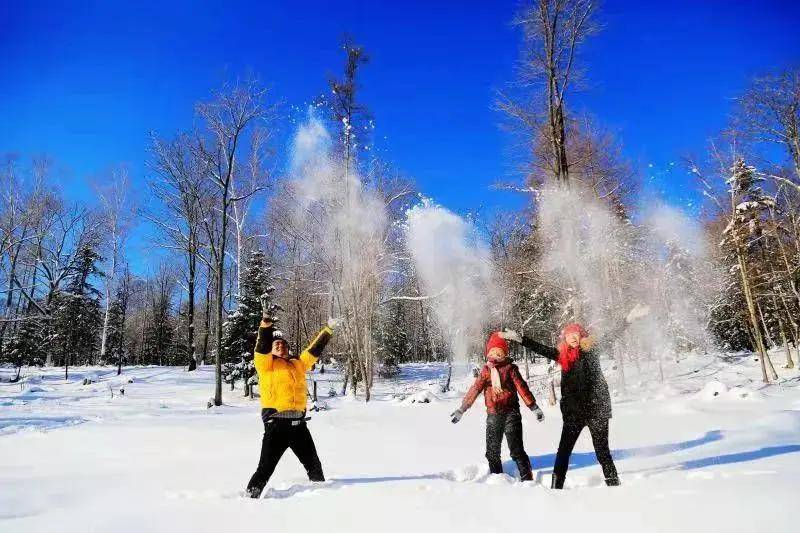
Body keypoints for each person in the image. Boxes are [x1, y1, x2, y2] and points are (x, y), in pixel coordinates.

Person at [500, 304, 649, 489]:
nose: (572, 338)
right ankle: (556, 489)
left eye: (576, 334)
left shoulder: (591, 351)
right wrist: (519, 339)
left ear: (582, 336)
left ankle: (614, 485)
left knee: (602, 451)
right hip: (573, 413)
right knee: (563, 452)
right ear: (565, 339)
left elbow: (612, 335)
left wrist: (628, 319)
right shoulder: (562, 356)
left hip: (597, 410)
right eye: (569, 335)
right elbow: (539, 348)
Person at [245, 294, 338, 499]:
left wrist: (328, 330)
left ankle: (324, 498)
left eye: (283, 344)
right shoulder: (266, 365)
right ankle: (249, 500)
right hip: (276, 426)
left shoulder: (298, 364)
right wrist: (266, 323)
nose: (280, 346)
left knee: (314, 466)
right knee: (265, 469)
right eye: (276, 345)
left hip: (299, 426)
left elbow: (314, 350)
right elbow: (261, 346)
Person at [450, 332, 545, 481]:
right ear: (488, 353)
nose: (495, 354)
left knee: (516, 451)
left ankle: (527, 480)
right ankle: (498, 479)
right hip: (493, 415)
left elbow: (522, 388)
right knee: (492, 452)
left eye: (499, 352)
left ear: (504, 354)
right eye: (492, 351)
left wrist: (534, 407)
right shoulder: (486, 371)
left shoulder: (511, 369)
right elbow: (475, 389)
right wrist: (462, 409)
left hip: (511, 414)